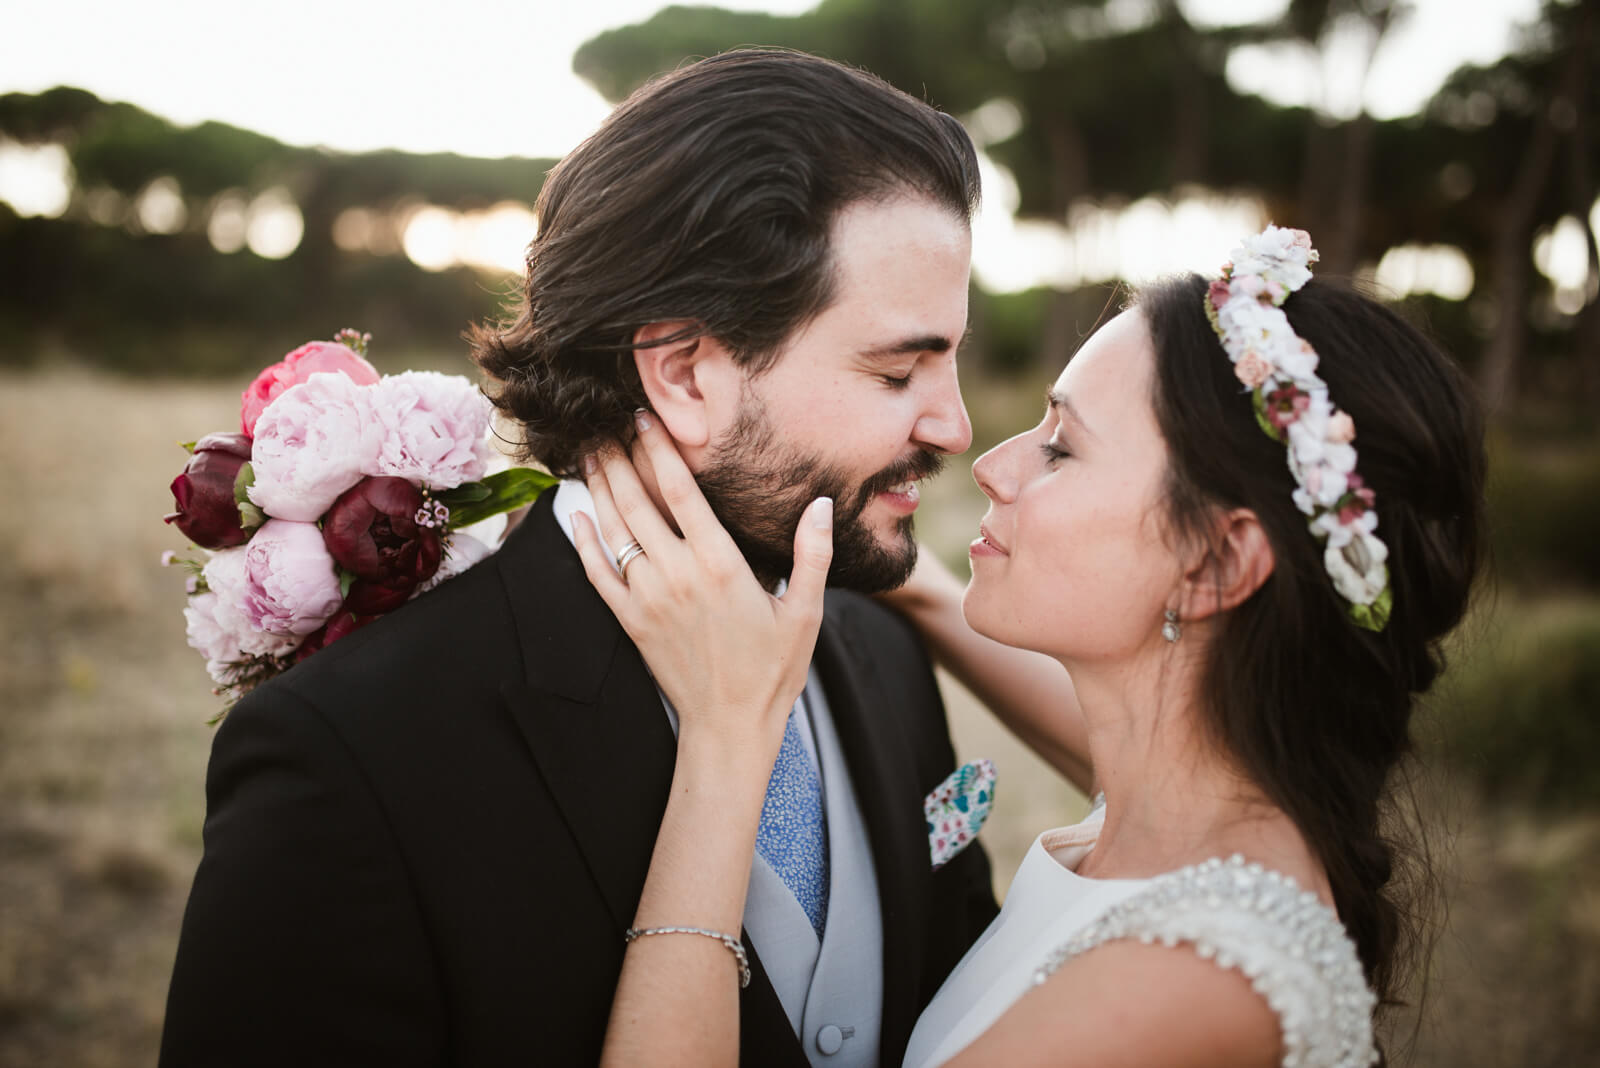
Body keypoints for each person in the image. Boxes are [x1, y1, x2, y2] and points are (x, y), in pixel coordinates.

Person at [159, 49, 999, 1067]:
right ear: (685, 373)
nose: (955, 426)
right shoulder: (351, 750)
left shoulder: (884, 653)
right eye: (898, 370)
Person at [574, 227, 1486, 1067]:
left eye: (1061, 449)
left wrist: (730, 733)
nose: (990, 462)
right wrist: (898, 571)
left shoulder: (1192, 977)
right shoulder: (1183, 810)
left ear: (1216, 562)